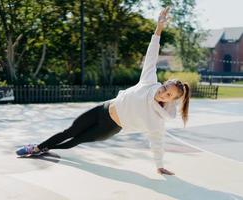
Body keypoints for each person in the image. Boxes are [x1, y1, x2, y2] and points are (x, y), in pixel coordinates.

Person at [16, 7, 190, 175]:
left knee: (75, 141)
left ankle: (45, 148)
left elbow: (157, 142)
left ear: (171, 100)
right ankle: (38, 147)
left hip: (109, 127)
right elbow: (152, 54)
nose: (163, 93)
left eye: (168, 95)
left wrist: (159, 166)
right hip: (104, 108)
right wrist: (158, 29)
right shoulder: (149, 81)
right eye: (165, 87)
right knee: (69, 131)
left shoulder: (157, 119)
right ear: (163, 83)